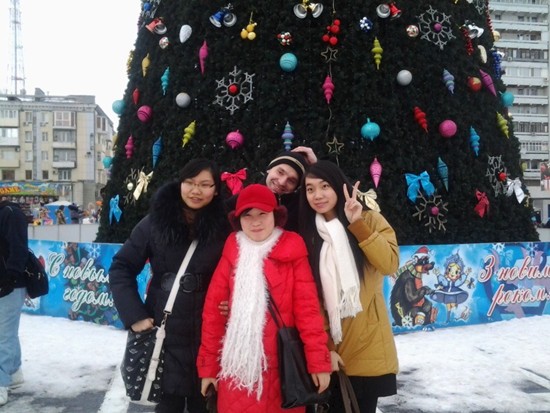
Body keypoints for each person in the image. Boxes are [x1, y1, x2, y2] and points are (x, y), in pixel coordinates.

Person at [109, 159, 231, 413]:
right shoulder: (155, 222)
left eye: (205, 184)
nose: (196, 191)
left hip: (210, 333)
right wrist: (135, 316)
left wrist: (234, 302)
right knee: (167, 406)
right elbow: (121, 268)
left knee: (206, 406)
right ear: (180, 184)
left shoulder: (226, 226)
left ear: (216, 190)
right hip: (163, 332)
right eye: (190, 183)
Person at [198, 184, 331, 412]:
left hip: (282, 372)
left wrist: (319, 362)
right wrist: (208, 369)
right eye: (247, 216)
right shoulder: (232, 251)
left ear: (275, 215)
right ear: (238, 220)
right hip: (237, 373)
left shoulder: (293, 250)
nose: (255, 222)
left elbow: (308, 312)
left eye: (262, 214)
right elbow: (213, 316)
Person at [298, 161, 400, 413]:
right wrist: (325, 349)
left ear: (338, 185)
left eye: (324, 186)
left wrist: (358, 225)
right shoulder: (308, 234)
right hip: (330, 351)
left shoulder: (369, 219)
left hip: (367, 345)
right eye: (310, 189)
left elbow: (389, 264)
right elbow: (310, 298)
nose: (317, 195)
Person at [0, 200, 29, 406]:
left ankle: (1, 382)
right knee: (6, 332)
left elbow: (19, 249)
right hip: (5, 282)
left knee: (4, 335)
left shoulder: (11, 213)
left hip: (10, 284)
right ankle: (14, 371)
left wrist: (10, 278)